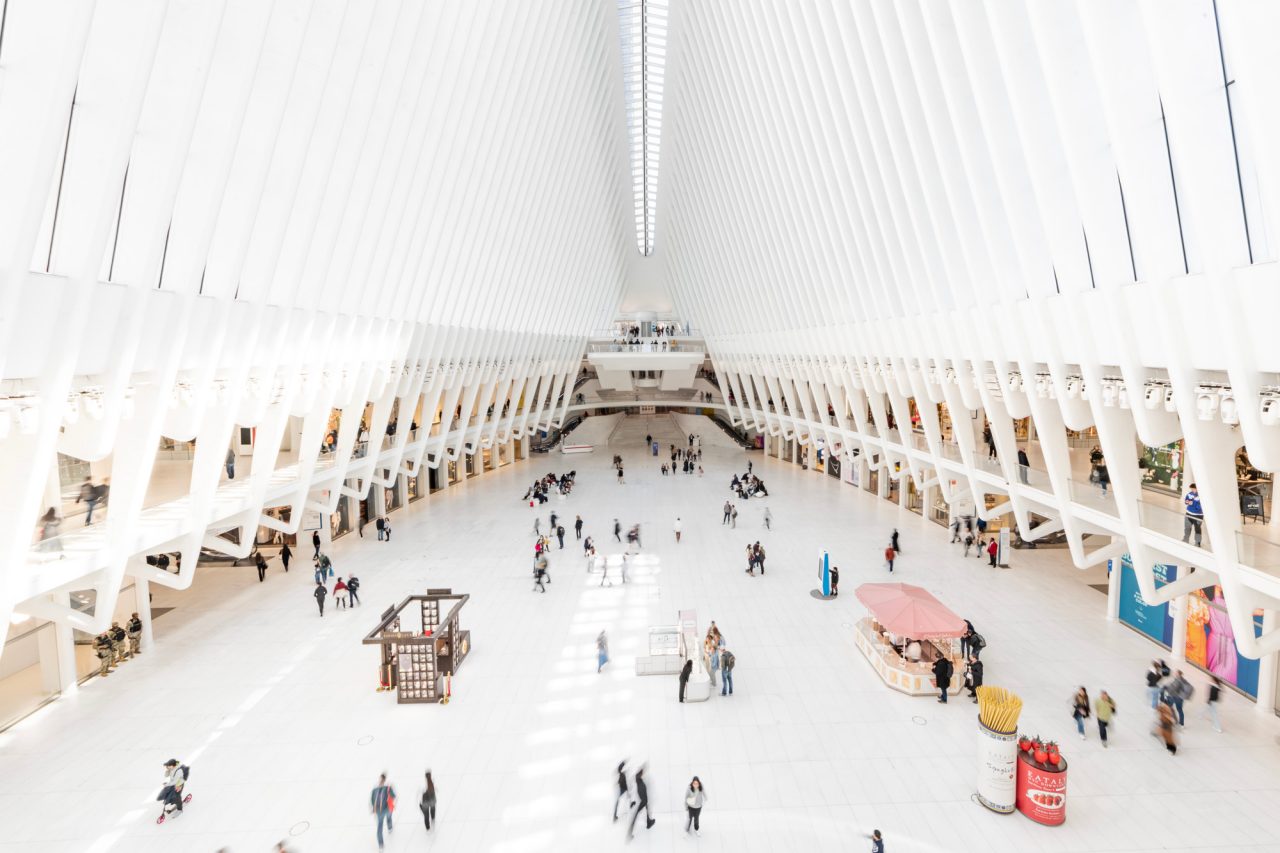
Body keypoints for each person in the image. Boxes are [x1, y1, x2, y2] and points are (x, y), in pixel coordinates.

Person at [627, 766, 655, 839]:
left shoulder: (638, 779)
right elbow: (641, 793)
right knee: (636, 815)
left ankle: (649, 822)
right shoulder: (641, 783)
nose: (643, 774)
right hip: (643, 800)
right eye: (642, 773)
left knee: (646, 809)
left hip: (643, 800)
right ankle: (630, 833)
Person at [370, 773, 395, 848]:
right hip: (383, 810)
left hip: (383, 810)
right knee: (386, 819)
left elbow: (372, 800)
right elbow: (394, 796)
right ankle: (389, 829)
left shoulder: (378, 789)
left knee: (383, 822)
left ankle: (381, 843)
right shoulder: (384, 788)